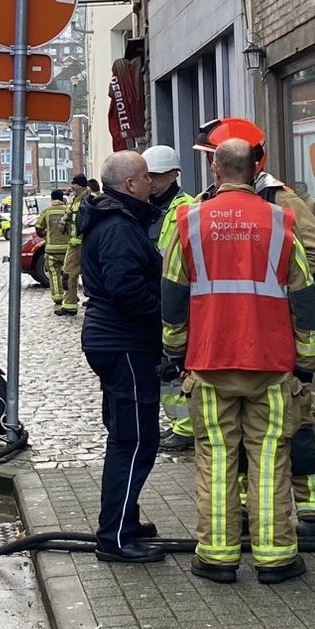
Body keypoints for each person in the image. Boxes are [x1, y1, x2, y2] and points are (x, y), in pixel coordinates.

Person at [162, 138, 309, 584]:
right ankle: (276, 558)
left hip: (208, 363)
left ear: (215, 170)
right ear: (255, 169)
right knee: (269, 459)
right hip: (270, 363)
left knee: (217, 458)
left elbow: (173, 294)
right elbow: (304, 299)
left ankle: (218, 558)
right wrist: (305, 363)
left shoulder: (188, 221)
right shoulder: (282, 221)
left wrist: (175, 350)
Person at [194, 118, 315, 536]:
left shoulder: (279, 199)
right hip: (232, 341)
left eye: (211, 159)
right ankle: (242, 514)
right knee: (242, 440)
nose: (210, 167)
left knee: (296, 427)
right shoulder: (207, 203)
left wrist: (277, 292)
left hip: (275, 338)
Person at [78, 151, 166, 563]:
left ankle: (123, 520)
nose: (152, 183)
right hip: (125, 344)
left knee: (129, 437)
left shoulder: (114, 219)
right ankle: (114, 537)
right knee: (134, 441)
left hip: (115, 342)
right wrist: (166, 316)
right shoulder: (118, 226)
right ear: (130, 184)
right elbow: (126, 287)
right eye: (146, 177)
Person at [143, 145, 197, 451]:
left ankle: (186, 427)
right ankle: (179, 424)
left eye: (158, 176)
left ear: (174, 175)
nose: (152, 181)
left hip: (178, 298)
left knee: (176, 366)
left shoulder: (188, 208)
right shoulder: (145, 207)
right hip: (156, 298)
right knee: (163, 368)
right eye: (148, 175)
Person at [35, 189, 78, 315]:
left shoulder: (47, 211)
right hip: (67, 248)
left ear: (52, 199)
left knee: (54, 274)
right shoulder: (67, 210)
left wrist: (46, 235)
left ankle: (58, 297)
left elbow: (38, 227)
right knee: (68, 274)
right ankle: (70, 296)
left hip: (51, 249)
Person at [64, 173, 90, 309]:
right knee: (70, 274)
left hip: (82, 244)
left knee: (72, 273)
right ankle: (70, 302)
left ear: (80, 185)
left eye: (74, 183)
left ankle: (70, 304)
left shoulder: (87, 200)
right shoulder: (76, 200)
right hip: (75, 244)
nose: (72, 186)